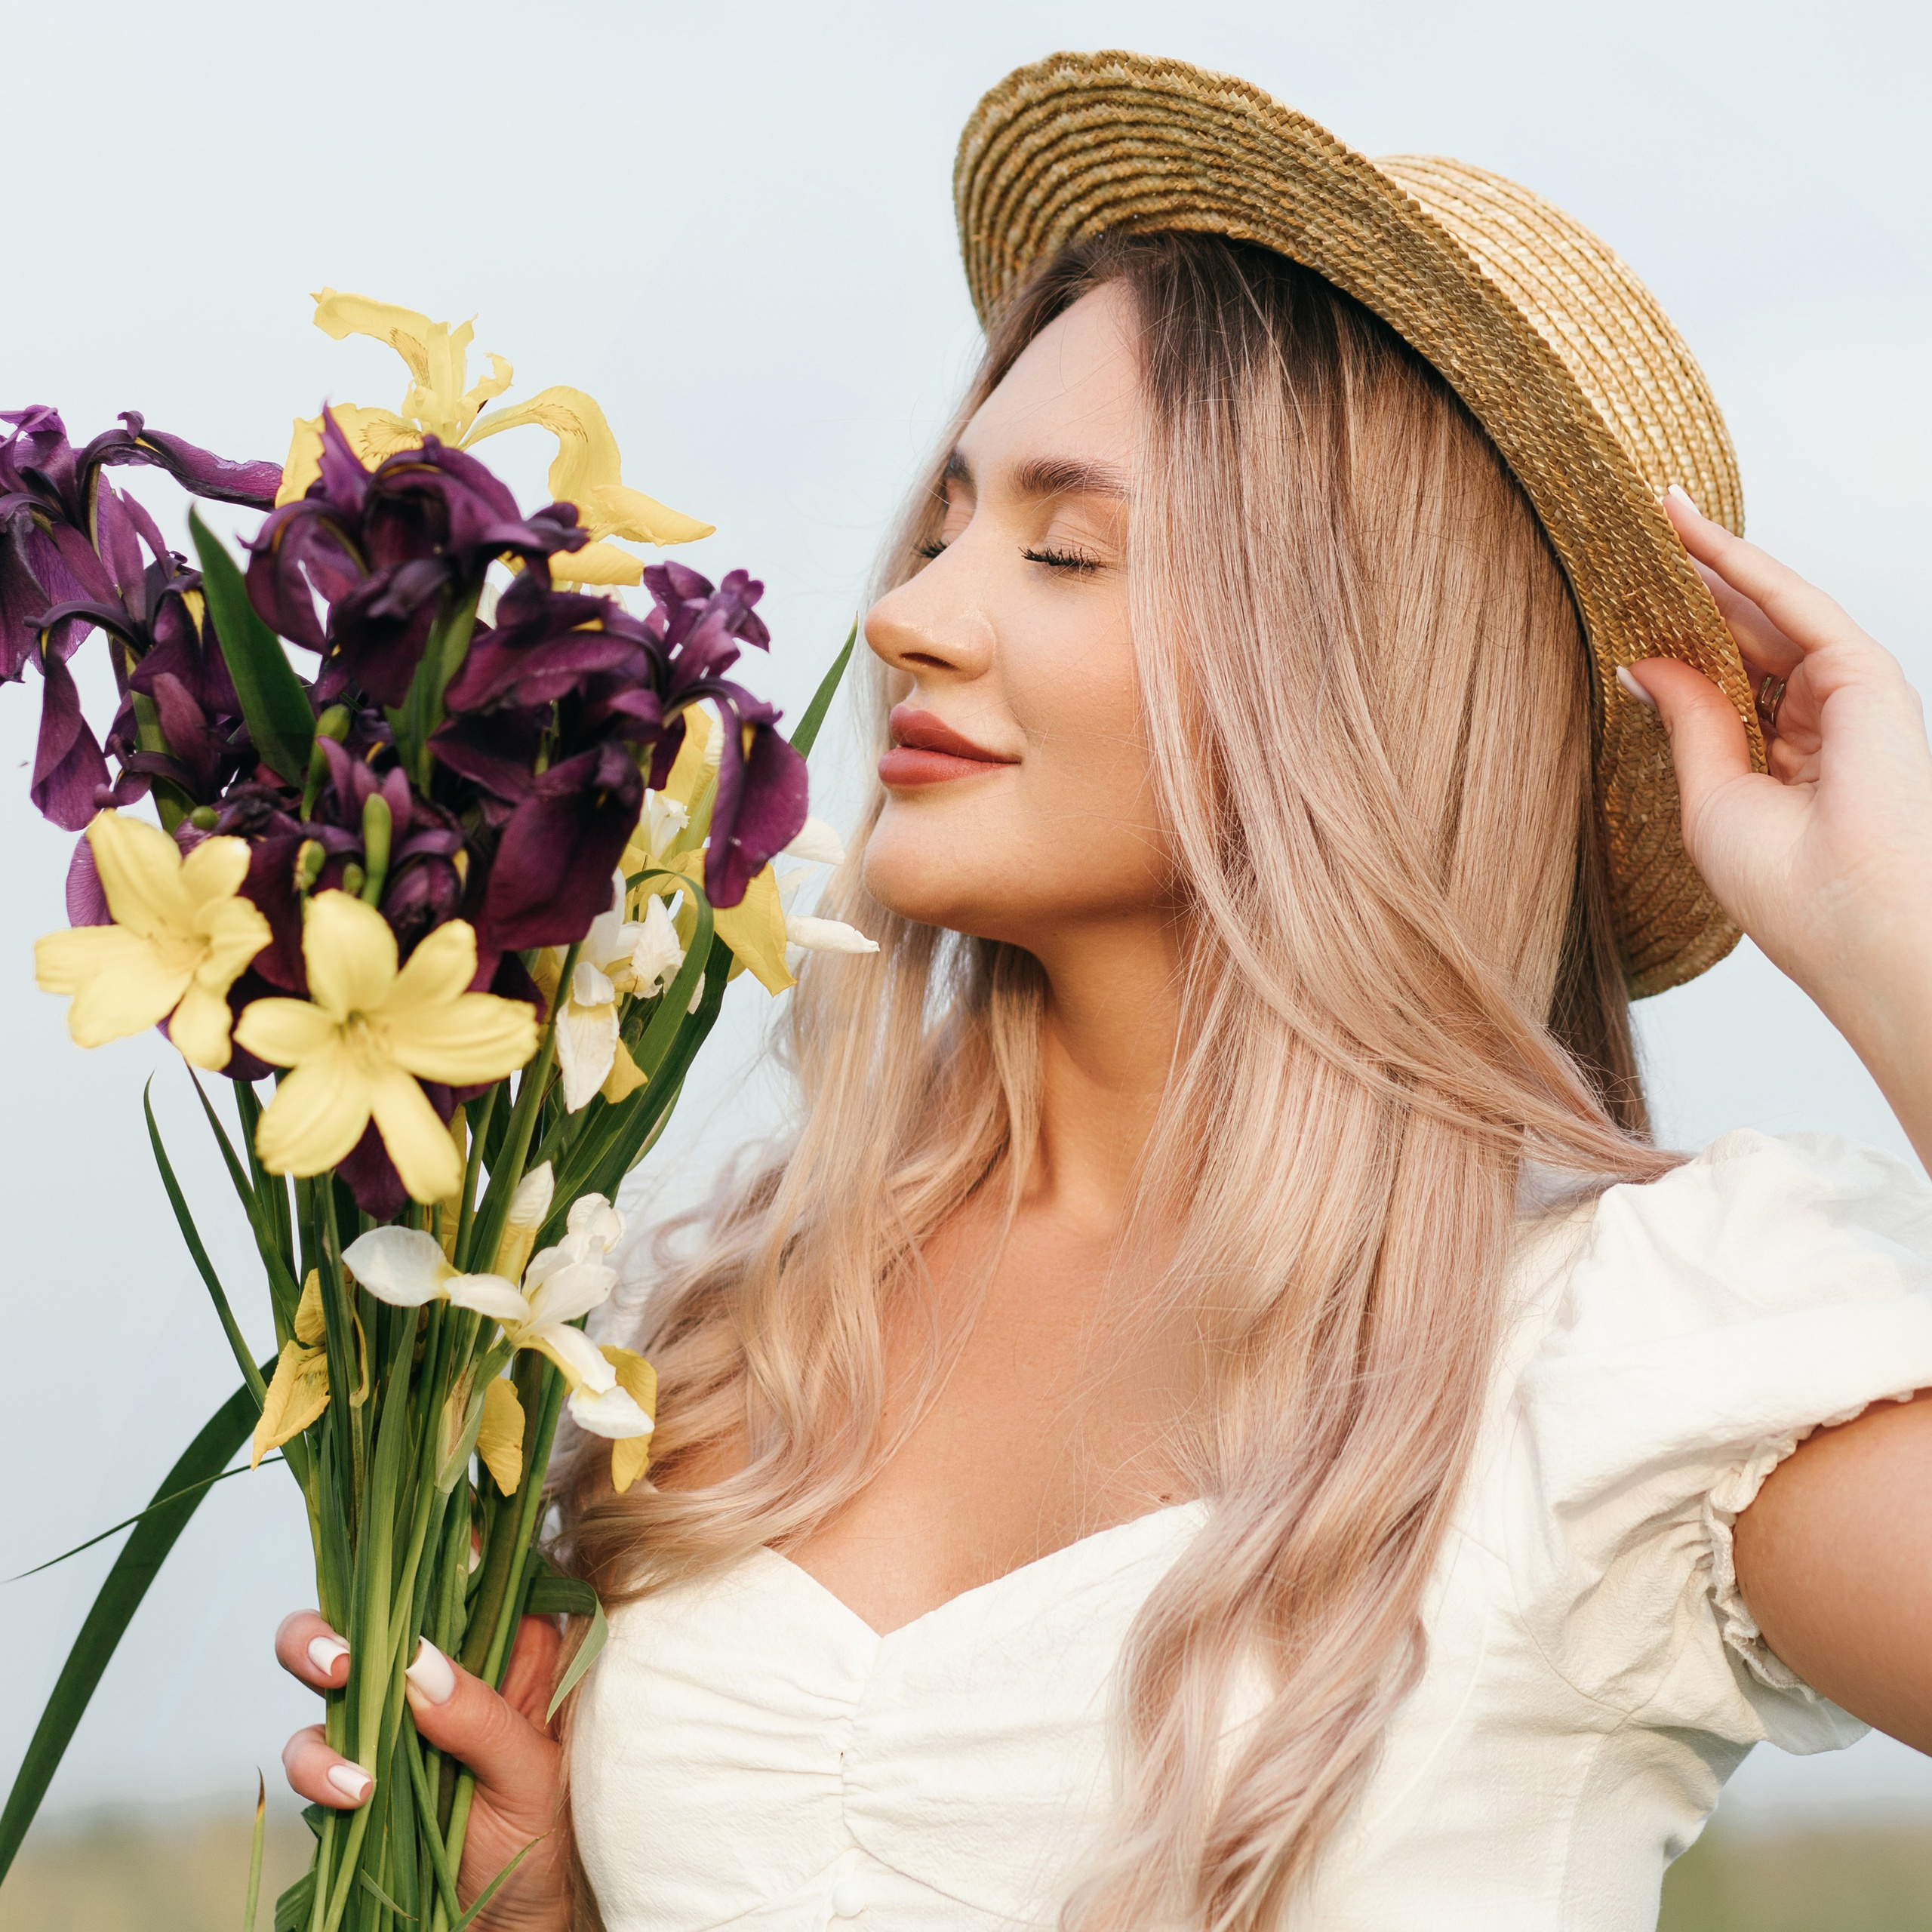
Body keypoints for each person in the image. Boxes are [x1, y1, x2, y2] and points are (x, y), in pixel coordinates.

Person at [272, 52, 1932, 1932]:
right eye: (939, 526)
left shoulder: (1623, 1349)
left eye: (1063, 546)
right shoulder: (727, 1321)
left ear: (1358, 664)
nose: (906, 613)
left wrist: (1890, 932)